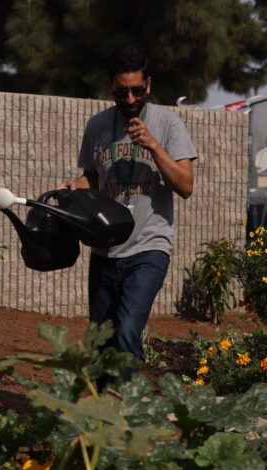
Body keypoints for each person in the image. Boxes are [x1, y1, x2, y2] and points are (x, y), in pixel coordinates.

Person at [59, 46, 196, 373]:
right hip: (105, 251)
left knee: (126, 332)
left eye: (137, 90)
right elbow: (91, 177)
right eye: (122, 92)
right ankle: (108, 412)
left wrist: (153, 145)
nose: (131, 99)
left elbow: (186, 186)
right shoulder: (97, 126)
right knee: (101, 342)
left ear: (148, 84)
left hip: (149, 248)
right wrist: (73, 187)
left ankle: (128, 411)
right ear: (110, 87)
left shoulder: (167, 123)